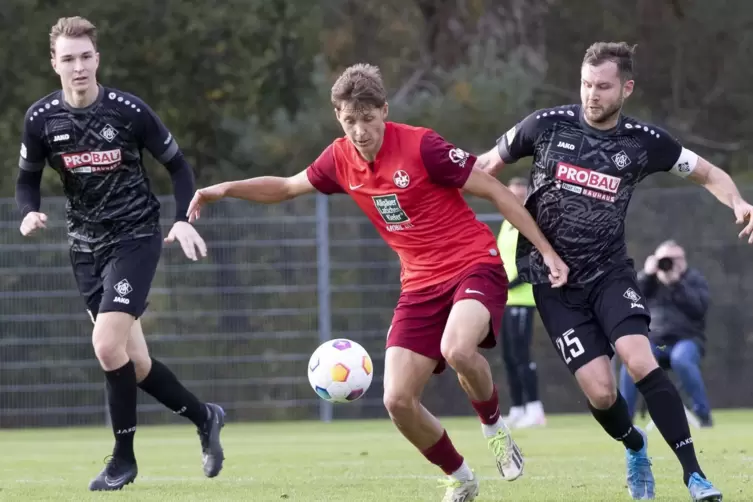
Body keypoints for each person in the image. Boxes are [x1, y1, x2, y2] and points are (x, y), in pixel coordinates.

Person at [187, 63, 570, 502]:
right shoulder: (338, 159)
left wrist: (545, 249)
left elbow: (496, 191)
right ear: (339, 117)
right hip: (419, 285)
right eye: (350, 120)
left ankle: (494, 428)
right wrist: (223, 189)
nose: (360, 130)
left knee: (457, 349)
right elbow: (288, 187)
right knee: (397, 401)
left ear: (384, 111)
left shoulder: (423, 146)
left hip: (471, 263)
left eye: (368, 119)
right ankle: (461, 477)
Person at [476, 41, 752, 501]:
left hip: (610, 274)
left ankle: (694, 476)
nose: (591, 95)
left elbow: (708, 174)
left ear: (626, 88)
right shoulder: (544, 126)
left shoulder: (644, 142)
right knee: (602, 394)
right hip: (554, 283)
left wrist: (739, 201)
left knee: (640, 360)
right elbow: (485, 166)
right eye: (586, 84)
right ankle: (634, 445)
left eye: (603, 86)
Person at [15, 17, 226, 491]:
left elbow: (178, 167)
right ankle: (204, 416)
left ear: (97, 59)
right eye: (68, 58)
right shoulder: (41, 119)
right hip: (84, 249)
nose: (78, 66)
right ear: (55, 64)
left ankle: (123, 460)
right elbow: (27, 178)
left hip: (135, 238)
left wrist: (180, 220)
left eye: (86, 56)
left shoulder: (128, 112)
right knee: (136, 364)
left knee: (106, 345)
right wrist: (27, 212)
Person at [620, 240, 713, 426]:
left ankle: (703, 415)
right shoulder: (649, 281)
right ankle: (624, 419)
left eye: (674, 259)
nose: (669, 263)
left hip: (686, 341)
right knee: (633, 360)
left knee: (682, 359)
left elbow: (699, 309)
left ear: (683, 259)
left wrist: (677, 284)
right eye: (664, 259)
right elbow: (630, 299)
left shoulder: (694, 279)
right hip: (657, 342)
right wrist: (647, 274)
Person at [496, 177, 546, 428]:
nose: (515, 199)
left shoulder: (530, 222)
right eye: (511, 194)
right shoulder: (507, 223)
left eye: (519, 195)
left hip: (523, 300)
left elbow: (533, 262)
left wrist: (508, 285)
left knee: (523, 355)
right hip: (505, 302)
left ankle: (535, 409)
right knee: (508, 356)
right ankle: (517, 407)